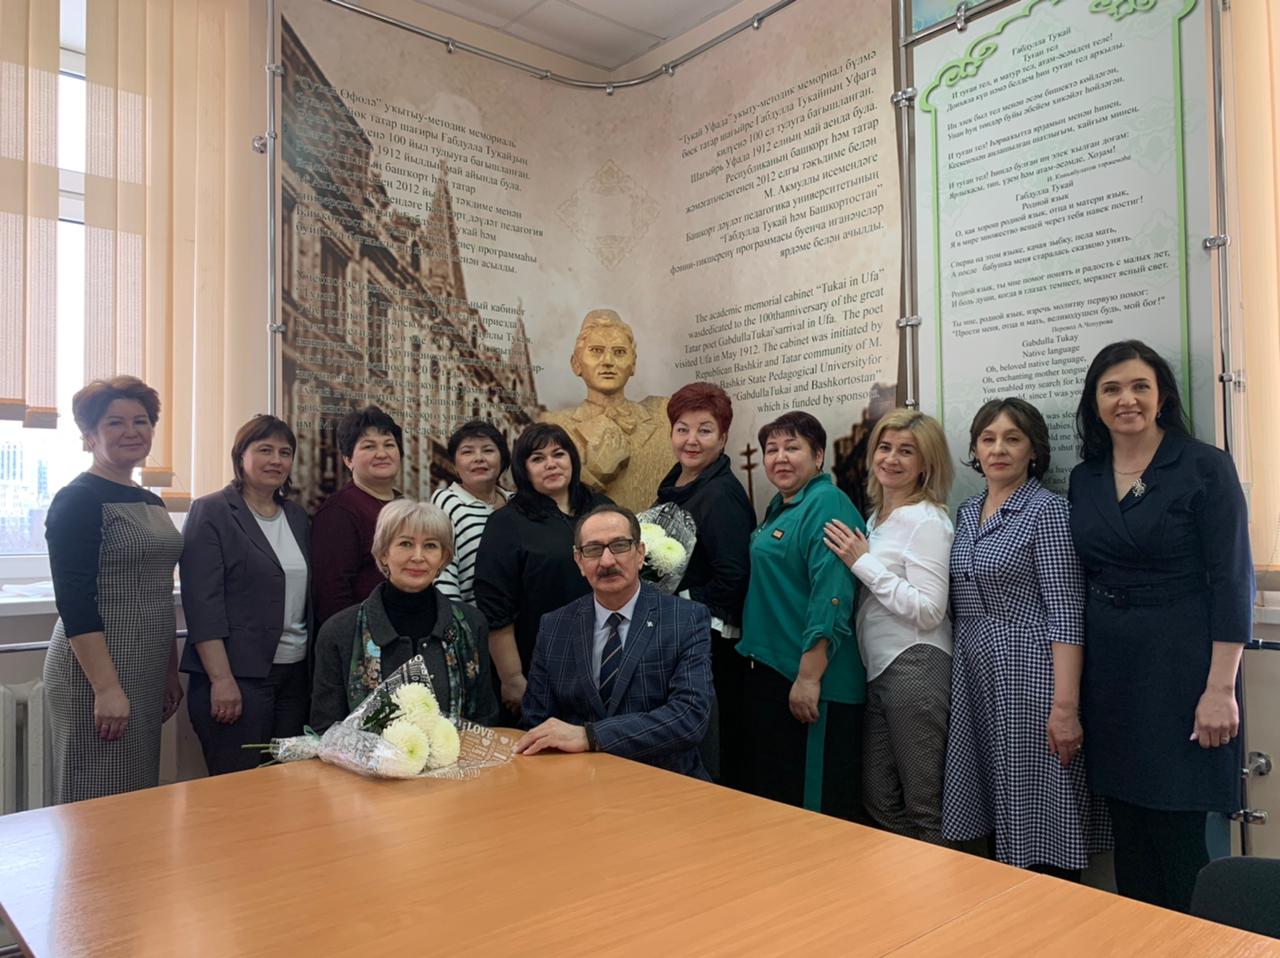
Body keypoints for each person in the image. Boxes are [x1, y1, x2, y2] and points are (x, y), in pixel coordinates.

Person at [1069, 340, 1252, 912]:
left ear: (1162, 396)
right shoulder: (1085, 477)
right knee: (1128, 830)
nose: (1126, 400)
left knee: (1178, 834)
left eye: (1139, 387)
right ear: (1095, 403)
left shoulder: (1202, 465)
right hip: (1112, 671)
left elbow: (1232, 581)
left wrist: (1220, 689)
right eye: (1111, 389)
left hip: (1183, 667)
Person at [943, 398, 1109, 876]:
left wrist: (1065, 708)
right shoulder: (967, 511)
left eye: (1012, 439)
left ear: (1034, 450)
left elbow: (1066, 613)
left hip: (1030, 672)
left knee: (1040, 803)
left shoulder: (1048, 511)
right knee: (992, 805)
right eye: (988, 439)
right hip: (974, 672)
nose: (998, 449)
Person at [43, 376, 184, 803]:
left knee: (136, 793)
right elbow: (74, 602)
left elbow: (162, 590)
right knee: (95, 794)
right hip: (94, 670)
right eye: (115, 423)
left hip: (147, 665)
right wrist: (106, 688)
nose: (131, 431)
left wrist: (169, 671)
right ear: (90, 435)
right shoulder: (77, 500)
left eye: (141, 421)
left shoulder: (153, 501)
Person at [823, 408, 954, 843]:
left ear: (926, 464)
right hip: (879, 670)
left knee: (925, 805)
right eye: (885, 447)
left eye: (906, 451)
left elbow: (929, 610)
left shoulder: (927, 521)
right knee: (878, 799)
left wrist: (863, 563)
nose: (891, 459)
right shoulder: (877, 519)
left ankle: (944, 883)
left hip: (915, 665)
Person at [516, 505, 713, 778]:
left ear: (640, 553)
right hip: (579, 782)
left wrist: (592, 736)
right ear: (579, 561)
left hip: (664, 781)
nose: (607, 561)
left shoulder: (685, 619)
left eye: (619, 546)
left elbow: (689, 717)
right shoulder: (555, 626)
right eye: (593, 550)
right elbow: (536, 722)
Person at [738, 411, 867, 819]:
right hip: (777, 674)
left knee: (815, 812)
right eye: (772, 449)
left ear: (819, 456)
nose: (780, 457)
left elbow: (832, 595)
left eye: (792, 448)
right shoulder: (781, 506)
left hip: (816, 682)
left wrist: (809, 677)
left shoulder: (826, 503)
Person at [179, 415, 312, 775]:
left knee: (289, 784)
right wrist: (222, 680)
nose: (276, 460)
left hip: (295, 674)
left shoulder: (297, 516)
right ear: (241, 456)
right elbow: (202, 603)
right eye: (265, 450)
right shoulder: (212, 511)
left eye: (285, 452)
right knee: (239, 789)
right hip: (238, 677)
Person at [311, 499, 498, 731]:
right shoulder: (339, 632)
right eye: (405, 544)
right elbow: (325, 729)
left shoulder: (471, 624)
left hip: (459, 754)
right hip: (359, 756)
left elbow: (485, 719)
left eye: (430, 546)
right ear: (383, 554)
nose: (418, 557)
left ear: (443, 557)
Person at [474, 423, 611, 723]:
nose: (551, 464)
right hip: (539, 668)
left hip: (605, 661)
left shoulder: (602, 508)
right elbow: (495, 609)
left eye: (558, 454)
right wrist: (512, 678)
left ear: (571, 459)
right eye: (537, 458)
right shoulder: (507, 523)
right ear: (524, 470)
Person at [653, 382, 753, 786]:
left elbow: (734, 577)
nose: (691, 440)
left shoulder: (721, 494)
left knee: (707, 744)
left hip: (709, 639)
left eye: (705, 430)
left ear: (723, 437)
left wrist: (680, 599)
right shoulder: (675, 485)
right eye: (682, 429)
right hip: (680, 632)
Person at [540, 309, 673, 511]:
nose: (608, 361)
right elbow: (541, 502)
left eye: (619, 352)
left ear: (633, 364)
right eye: (596, 350)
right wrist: (595, 472)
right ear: (576, 364)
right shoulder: (551, 425)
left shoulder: (664, 415)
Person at [311, 405, 403, 628]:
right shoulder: (339, 511)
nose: (382, 454)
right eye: (369, 446)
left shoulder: (402, 505)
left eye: (389, 445)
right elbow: (331, 594)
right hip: (364, 639)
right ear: (348, 460)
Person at [430, 420, 511, 605]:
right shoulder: (447, 501)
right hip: (470, 617)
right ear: (454, 464)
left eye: (488, 450)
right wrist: (457, 619)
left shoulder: (517, 503)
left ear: (502, 459)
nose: (478, 458)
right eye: (467, 452)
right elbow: (443, 572)